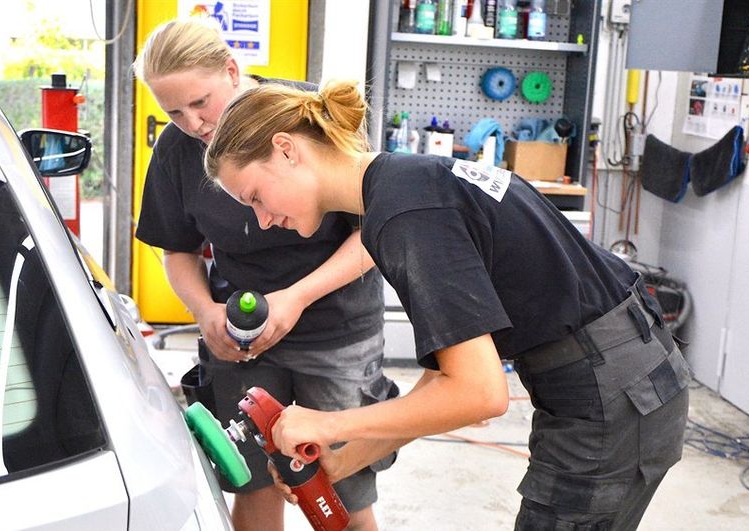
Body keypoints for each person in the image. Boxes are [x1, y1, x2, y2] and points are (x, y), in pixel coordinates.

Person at [203, 80, 691, 530]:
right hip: (621, 371)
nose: (263, 221)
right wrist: (346, 455)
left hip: (610, 391)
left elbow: (479, 394)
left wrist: (327, 423)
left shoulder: (405, 214)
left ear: (285, 150)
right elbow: (445, 378)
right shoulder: (402, 184)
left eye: (255, 197)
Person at [131, 20, 395, 531]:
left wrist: (296, 297)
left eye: (201, 102)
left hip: (336, 331)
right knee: (252, 482)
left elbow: (377, 233)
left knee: (342, 490)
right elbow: (177, 250)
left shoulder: (308, 116)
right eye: (173, 112)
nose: (193, 124)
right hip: (243, 339)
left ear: (232, 70)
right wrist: (205, 313)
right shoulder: (176, 149)